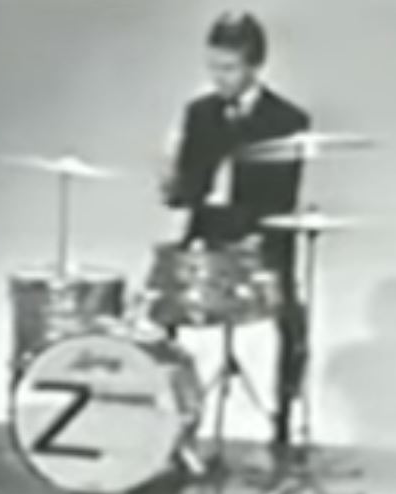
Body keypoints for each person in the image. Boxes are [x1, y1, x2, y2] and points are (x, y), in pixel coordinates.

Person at [161, 10, 311, 449]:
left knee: (291, 318)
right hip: (207, 233)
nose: (219, 78)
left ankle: (283, 420)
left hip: (262, 237)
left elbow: (282, 197)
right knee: (159, 307)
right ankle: (171, 417)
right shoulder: (199, 113)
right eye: (213, 67)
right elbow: (188, 189)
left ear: (254, 66)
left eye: (229, 68)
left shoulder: (287, 119)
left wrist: (250, 236)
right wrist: (173, 182)